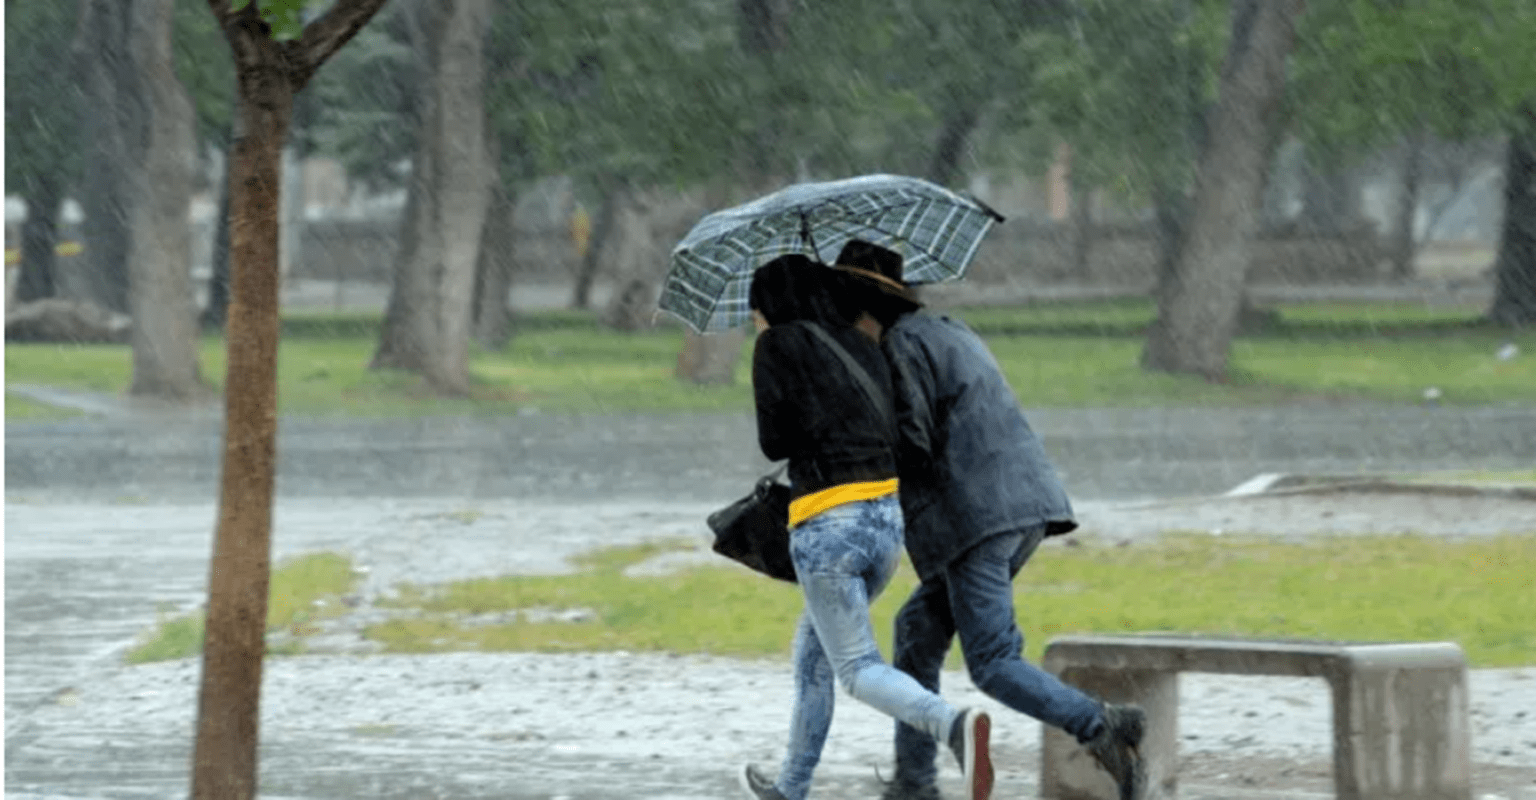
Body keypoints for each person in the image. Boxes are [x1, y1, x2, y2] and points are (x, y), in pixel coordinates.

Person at [830, 240, 1147, 800]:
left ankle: (1101, 725)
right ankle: (914, 783)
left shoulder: (898, 349)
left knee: (994, 661)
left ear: (862, 307)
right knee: (917, 632)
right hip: (1019, 507)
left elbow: (913, 443)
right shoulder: (950, 329)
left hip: (976, 519)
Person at [738, 254, 994, 800]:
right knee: (815, 654)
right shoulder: (861, 344)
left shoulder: (776, 345)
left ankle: (953, 726)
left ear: (770, 305)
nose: (753, 321)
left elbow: (773, 443)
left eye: (753, 309)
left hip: (828, 525)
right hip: (884, 522)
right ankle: (791, 788)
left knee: (854, 668)